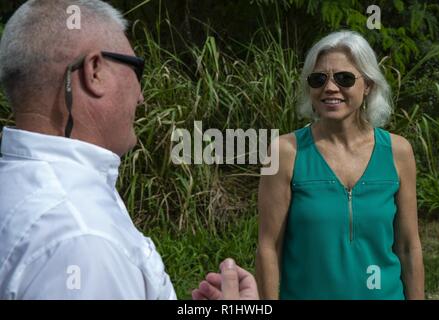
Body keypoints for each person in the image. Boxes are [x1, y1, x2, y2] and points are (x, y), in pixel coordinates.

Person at [0, 0, 258, 300]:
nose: (141, 96)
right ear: (94, 71)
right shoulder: (83, 239)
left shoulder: (19, 186)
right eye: (137, 69)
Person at [256, 30, 425, 300]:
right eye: (318, 79)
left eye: (344, 78)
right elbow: (268, 247)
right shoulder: (284, 152)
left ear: (368, 84)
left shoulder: (398, 151)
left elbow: (408, 246)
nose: (330, 88)